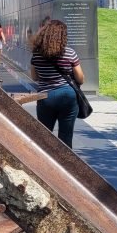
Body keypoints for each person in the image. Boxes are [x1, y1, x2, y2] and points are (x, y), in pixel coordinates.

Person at [30, 18, 85, 147]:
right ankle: (65, 164)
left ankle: (44, 163)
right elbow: (80, 79)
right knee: (66, 137)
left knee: (45, 136)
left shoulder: (37, 54)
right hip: (67, 96)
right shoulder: (70, 53)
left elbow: (34, 77)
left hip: (45, 97)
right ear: (63, 36)